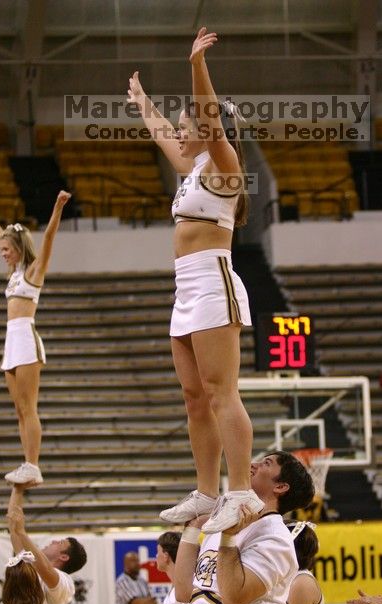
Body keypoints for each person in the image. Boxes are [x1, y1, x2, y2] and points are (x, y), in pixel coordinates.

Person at [127, 27, 262, 534]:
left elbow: (207, 118)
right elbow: (164, 133)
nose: (182, 131)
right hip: (185, 288)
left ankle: (241, 492)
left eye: (190, 125)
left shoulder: (224, 166)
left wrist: (196, 67)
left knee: (221, 391)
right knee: (193, 396)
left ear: (208, 129)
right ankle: (207, 492)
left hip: (213, 284)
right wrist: (143, 103)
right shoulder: (194, 168)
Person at [148, 451, 315, 604]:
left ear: (280, 486)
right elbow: (184, 591)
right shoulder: (225, 523)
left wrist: (228, 539)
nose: (253, 464)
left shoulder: (274, 536)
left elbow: (234, 598)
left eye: (266, 463)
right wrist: (193, 527)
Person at [0, 190, 71, 485]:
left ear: (20, 248)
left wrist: (57, 207)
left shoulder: (34, 271)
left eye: (8, 249)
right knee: (20, 409)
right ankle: (26, 461)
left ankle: (33, 464)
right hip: (11, 341)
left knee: (29, 406)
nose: (3, 252)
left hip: (25, 339)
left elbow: (47, 239)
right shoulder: (15, 272)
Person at [6, 485, 87, 604]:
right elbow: (13, 527)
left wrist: (22, 532)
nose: (54, 541)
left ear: (64, 557)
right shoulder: (30, 563)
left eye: (60, 542)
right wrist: (18, 488)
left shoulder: (66, 582)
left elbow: (46, 569)